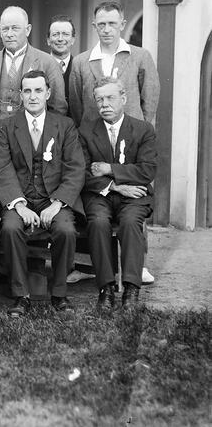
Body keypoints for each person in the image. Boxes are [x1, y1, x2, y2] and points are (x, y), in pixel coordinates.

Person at [0, 70, 84, 317]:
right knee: (10, 229)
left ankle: (59, 294)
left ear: (48, 93)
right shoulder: (6, 126)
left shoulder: (64, 125)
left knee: (65, 230)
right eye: (28, 91)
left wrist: (57, 204)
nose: (33, 96)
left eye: (38, 90)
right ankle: (21, 295)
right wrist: (19, 205)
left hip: (53, 198)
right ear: (20, 95)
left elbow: (76, 168)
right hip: (20, 197)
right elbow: (0, 167)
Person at [79, 77, 157, 310]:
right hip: (100, 195)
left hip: (135, 195)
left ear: (123, 98)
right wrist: (114, 186)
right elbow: (82, 171)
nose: (105, 104)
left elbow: (147, 170)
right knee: (98, 222)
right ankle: (106, 288)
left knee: (131, 221)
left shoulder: (142, 129)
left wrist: (109, 168)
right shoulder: (85, 131)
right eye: (99, 99)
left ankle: (131, 289)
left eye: (110, 98)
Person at [69, 1, 160, 127]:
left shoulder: (141, 56)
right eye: (101, 24)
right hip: (92, 137)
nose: (106, 30)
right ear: (94, 26)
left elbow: (150, 98)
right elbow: (76, 106)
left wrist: (140, 129)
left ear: (122, 25)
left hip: (132, 134)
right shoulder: (80, 61)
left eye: (112, 24)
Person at [0, 6, 67, 125]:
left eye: (15, 28)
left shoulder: (47, 62)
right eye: (5, 29)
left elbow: (58, 108)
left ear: (28, 30)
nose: (9, 34)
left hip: (31, 137)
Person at [46, 14, 76, 104]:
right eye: (55, 34)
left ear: (73, 39)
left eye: (65, 34)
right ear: (48, 40)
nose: (60, 39)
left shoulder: (80, 67)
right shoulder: (40, 66)